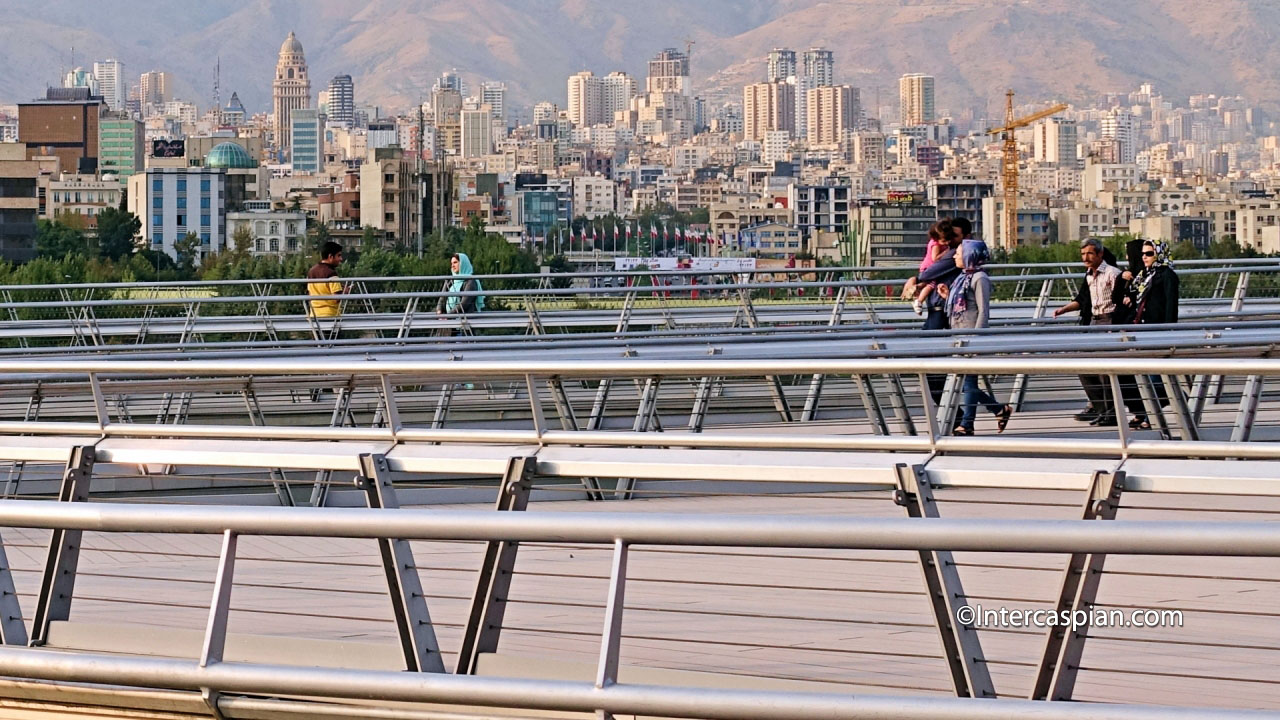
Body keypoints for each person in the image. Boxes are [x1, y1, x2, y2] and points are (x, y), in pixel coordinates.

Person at [1052, 237, 1130, 426]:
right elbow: (1083, 300)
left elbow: (1123, 298)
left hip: (1109, 321)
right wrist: (1063, 310)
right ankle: (1102, 409)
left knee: (1106, 371)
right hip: (1094, 323)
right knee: (1086, 368)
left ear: (1100, 254)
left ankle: (1112, 414)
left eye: (1089, 253)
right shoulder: (1088, 275)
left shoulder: (1113, 273)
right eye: (1083, 254)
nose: (1085, 258)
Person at [940, 238, 1012, 435]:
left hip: (971, 337)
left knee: (969, 381)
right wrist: (948, 296)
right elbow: (963, 305)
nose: (954, 255)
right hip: (959, 335)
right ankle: (998, 409)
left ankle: (967, 424)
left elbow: (983, 310)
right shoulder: (963, 277)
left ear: (969, 255)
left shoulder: (980, 278)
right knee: (965, 381)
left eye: (959, 252)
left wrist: (977, 338)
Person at [901, 217, 966, 402]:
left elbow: (927, 274)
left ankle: (956, 416)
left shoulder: (953, 256)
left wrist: (915, 278)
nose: (951, 240)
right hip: (936, 309)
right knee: (930, 358)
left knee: (932, 360)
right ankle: (960, 418)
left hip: (940, 311)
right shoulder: (952, 253)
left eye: (955, 236)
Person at [1120, 239, 1180, 429]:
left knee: (1154, 377)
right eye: (1143, 254)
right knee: (1146, 374)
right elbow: (1136, 298)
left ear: (1159, 254)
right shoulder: (1144, 276)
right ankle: (1152, 410)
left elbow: (1171, 306)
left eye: (1149, 254)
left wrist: (1169, 332)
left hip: (1157, 331)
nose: (1144, 257)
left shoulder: (1167, 275)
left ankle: (1151, 415)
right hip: (1142, 330)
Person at [912, 220, 952, 315]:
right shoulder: (936, 245)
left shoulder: (934, 242)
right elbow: (935, 258)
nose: (946, 243)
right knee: (931, 284)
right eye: (944, 241)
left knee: (927, 283)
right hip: (929, 268)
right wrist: (946, 252)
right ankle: (919, 301)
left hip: (927, 267)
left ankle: (918, 287)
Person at [306, 242, 346, 318]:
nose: (341, 259)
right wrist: (345, 291)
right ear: (330, 256)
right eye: (339, 255)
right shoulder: (331, 273)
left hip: (314, 316)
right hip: (330, 316)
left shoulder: (311, 271)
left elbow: (309, 293)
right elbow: (336, 298)